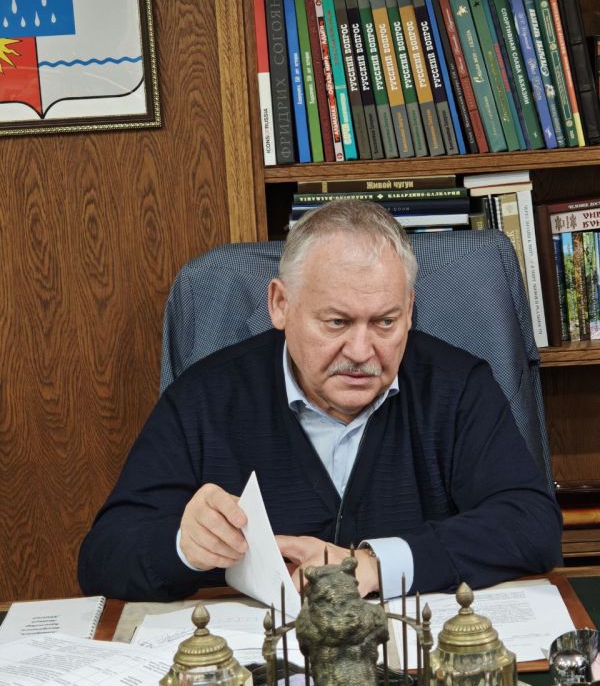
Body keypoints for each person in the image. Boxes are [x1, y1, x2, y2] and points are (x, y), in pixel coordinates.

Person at [78, 200, 562, 602]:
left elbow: (532, 524)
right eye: (336, 322)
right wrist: (184, 545)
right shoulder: (206, 397)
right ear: (280, 305)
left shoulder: (456, 387)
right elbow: (103, 556)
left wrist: (372, 565)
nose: (361, 351)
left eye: (385, 322)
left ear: (410, 309)